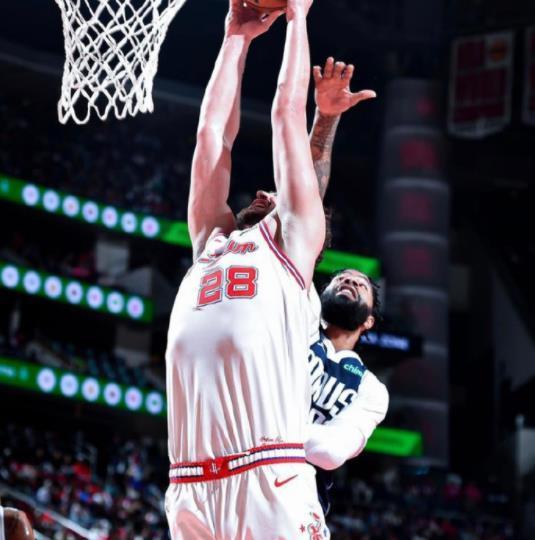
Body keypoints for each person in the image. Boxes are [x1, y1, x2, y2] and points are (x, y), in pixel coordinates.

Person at [165, 0, 329, 537]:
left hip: (268, 474)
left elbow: (287, 117)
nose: (262, 191)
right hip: (190, 482)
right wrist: (234, 39)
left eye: (275, 193)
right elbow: (212, 138)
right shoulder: (211, 242)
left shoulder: (293, 246)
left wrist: (298, 18)